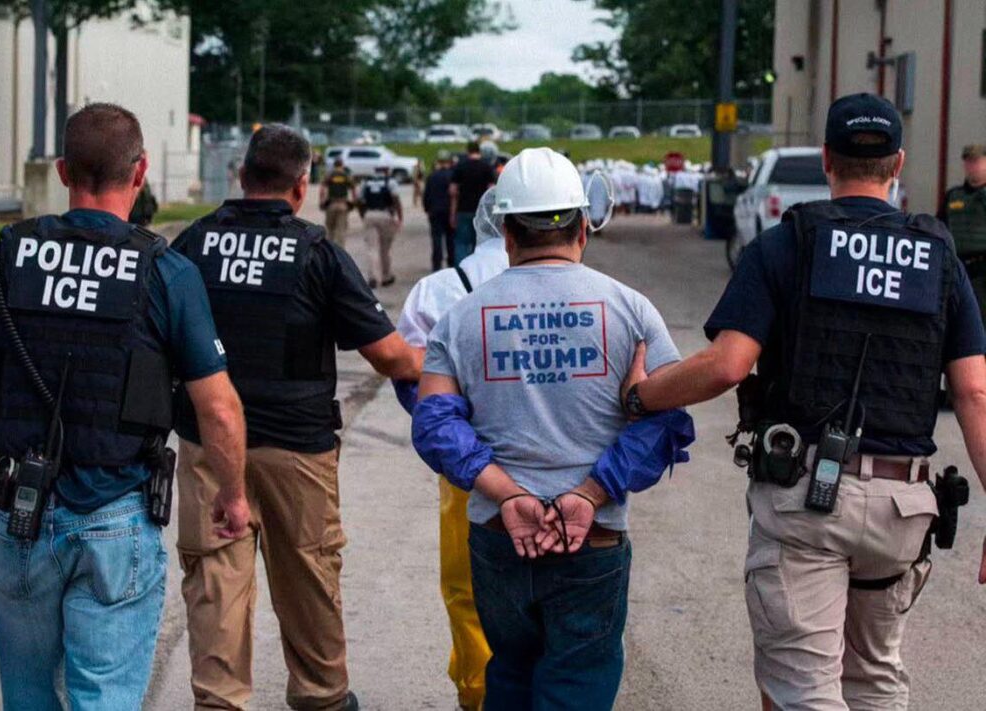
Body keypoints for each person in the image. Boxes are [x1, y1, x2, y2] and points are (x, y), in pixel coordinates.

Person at [622, 93, 986, 709]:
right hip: (902, 507)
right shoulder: (939, 255)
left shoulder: (785, 244)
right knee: (874, 681)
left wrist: (641, 396)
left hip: (807, 500)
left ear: (825, 160)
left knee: (804, 693)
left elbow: (728, 366)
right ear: (897, 164)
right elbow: (974, 390)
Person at [0, 102, 249, 710]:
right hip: (115, 515)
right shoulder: (165, 272)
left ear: (64, 171)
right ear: (140, 172)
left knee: (29, 697)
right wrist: (232, 494)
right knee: (105, 699)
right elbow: (218, 409)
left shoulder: (1, 259)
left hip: (17, 512)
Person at [411, 148, 694, 709]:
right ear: (583, 227)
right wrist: (590, 493)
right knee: (578, 684)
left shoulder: (463, 316)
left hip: (498, 536)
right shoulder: (631, 309)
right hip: (592, 538)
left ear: (507, 233)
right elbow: (668, 421)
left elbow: (435, 424)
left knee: (510, 677)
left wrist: (505, 491)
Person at [170, 124, 424, 711]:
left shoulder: (193, 243)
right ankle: (320, 696)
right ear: (302, 185)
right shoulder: (317, 253)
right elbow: (388, 356)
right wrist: (441, 364)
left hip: (209, 443)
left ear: (242, 176)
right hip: (297, 447)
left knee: (216, 581)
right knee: (308, 573)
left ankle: (219, 701)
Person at [394, 188, 510, 710]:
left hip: (468, 471)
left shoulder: (438, 290)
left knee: (468, 587)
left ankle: (479, 691)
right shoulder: (583, 290)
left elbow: (409, 380)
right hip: (563, 468)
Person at [940, 144, 986, 314]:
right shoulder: (954, 195)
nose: (971, 166)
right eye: (967, 162)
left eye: (976, 161)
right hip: (959, 266)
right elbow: (941, 226)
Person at [450, 141, 496, 264]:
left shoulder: (460, 167)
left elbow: (453, 191)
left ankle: (461, 271)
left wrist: (452, 214)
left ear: (468, 151)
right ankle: (477, 270)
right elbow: (492, 192)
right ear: (479, 151)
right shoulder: (486, 167)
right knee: (480, 243)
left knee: (461, 243)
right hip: (481, 212)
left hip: (463, 209)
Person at [358, 164, 403, 288]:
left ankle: (372, 277)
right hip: (385, 214)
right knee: (385, 249)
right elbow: (396, 200)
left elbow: (360, 201)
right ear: (387, 170)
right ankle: (386, 276)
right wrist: (399, 217)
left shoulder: (365, 183)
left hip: (369, 214)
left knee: (372, 248)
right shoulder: (390, 182)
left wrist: (363, 215)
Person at [423, 149, 456, 271]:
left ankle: (437, 265)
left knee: (436, 239)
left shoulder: (432, 176)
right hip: (449, 211)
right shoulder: (453, 175)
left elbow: (426, 195)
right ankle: (452, 263)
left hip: (435, 211)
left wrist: (427, 208)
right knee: (450, 239)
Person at [320, 158, 357, 248]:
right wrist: (354, 201)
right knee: (341, 231)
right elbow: (353, 189)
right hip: (343, 205)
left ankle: (329, 251)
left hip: (331, 205)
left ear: (334, 165)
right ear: (342, 165)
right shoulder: (346, 175)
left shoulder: (329, 175)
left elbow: (322, 189)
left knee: (330, 230)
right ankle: (340, 252)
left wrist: (322, 201)